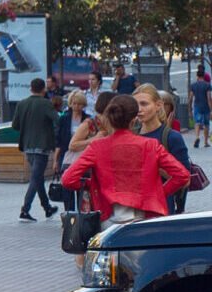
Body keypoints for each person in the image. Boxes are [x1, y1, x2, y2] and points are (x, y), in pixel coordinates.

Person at [62, 94, 187, 223]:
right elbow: (182, 175)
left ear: (109, 119)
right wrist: (158, 193)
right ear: (134, 120)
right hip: (148, 217)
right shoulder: (151, 145)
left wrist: (93, 185)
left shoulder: (97, 147)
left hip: (109, 216)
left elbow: (68, 179)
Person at [135, 88, 195, 213]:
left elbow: (186, 180)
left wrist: (156, 167)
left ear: (158, 105)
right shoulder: (131, 136)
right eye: (136, 105)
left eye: (144, 104)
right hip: (133, 209)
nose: (139, 109)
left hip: (161, 210)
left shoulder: (171, 137)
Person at [13, 78, 60, 221]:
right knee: (35, 178)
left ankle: (47, 208)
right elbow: (57, 120)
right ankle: (25, 210)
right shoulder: (46, 104)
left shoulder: (22, 104)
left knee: (37, 177)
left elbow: (15, 125)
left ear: (30, 88)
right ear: (43, 89)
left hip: (27, 146)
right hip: (42, 146)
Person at [193, 69, 211, 149]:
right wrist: (211, 109)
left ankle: (197, 137)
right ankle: (206, 142)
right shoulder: (207, 85)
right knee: (206, 124)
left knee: (197, 122)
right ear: (203, 76)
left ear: (197, 76)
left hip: (197, 106)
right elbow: (208, 98)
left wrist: (189, 108)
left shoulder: (193, 85)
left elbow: (190, 97)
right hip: (206, 107)